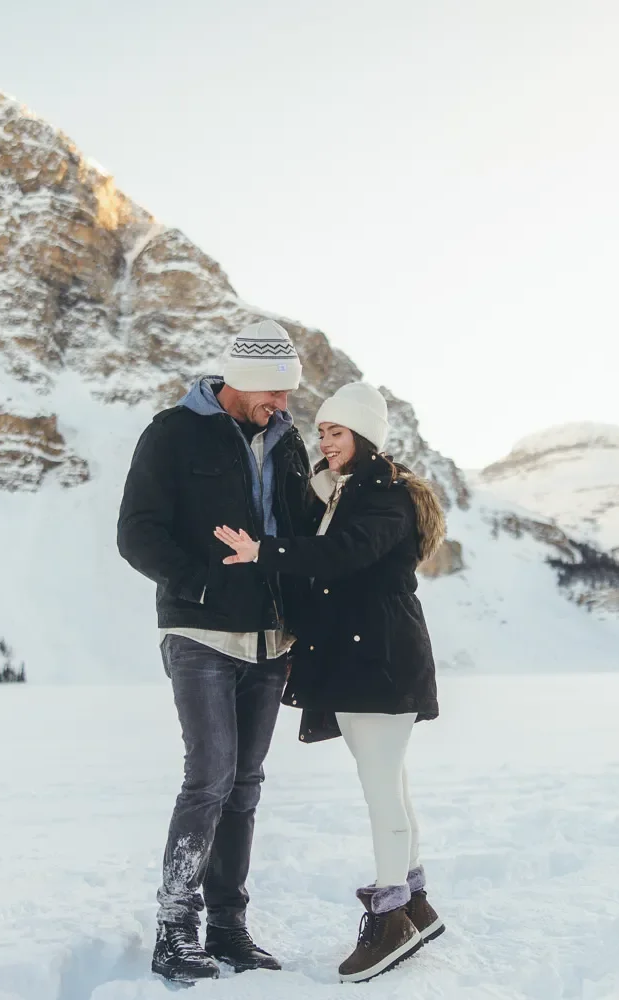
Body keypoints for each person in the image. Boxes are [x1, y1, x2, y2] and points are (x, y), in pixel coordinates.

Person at [213, 381, 446, 984]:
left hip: (381, 665)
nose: (325, 441)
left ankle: (391, 916)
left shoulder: (385, 498)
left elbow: (342, 556)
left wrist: (264, 551)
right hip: (365, 661)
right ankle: (416, 904)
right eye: (321, 432)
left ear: (364, 435)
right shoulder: (346, 493)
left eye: (336, 432)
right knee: (391, 783)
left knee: (382, 789)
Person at [116, 318, 314, 983]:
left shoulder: (288, 444)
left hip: (270, 639)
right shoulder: (173, 433)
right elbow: (137, 531)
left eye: (287, 393)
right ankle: (176, 928)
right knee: (210, 776)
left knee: (245, 785)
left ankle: (228, 928)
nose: (282, 404)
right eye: (274, 391)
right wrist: (199, 583)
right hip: (201, 634)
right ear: (243, 379)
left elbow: (299, 532)